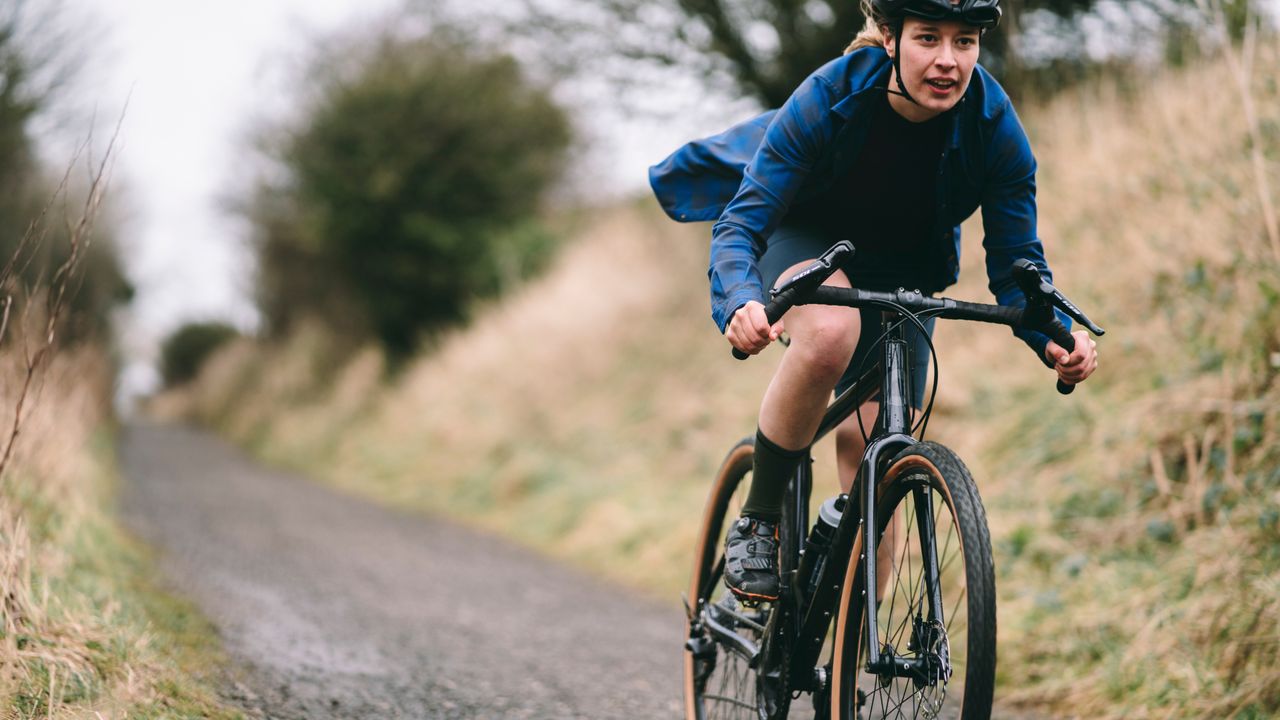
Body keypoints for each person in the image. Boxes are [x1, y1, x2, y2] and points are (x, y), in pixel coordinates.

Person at [649, 0, 1099, 602]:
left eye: (965, 42)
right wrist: (738, 301)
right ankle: (760, 521)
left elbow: (1018, 268)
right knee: (831, 332)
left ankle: (848, 656)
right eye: (928, 39)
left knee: (878, 453)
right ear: (889, 37)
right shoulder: (828, 96)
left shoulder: (994, 122)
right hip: (803, 237)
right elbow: (743, 224)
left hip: (905, 270)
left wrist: (1057, 336)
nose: (947, 60)